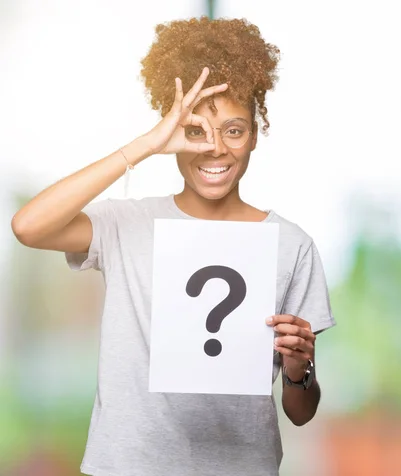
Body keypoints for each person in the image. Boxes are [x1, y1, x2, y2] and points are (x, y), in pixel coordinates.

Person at [11, 16, 336, 476]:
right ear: (173, 128)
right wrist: (145, 145)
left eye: (234, 130)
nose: (216, 149)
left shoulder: (291, 245)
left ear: (255, 135)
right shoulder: (128, 222)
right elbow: (28, 226)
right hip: (127, 466)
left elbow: (301, 412)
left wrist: (300, 370)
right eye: (197, 130)